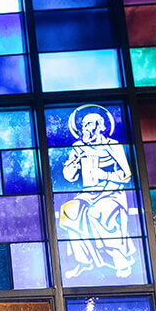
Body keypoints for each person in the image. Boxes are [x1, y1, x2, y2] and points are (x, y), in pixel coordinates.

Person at [57, 105, 137, 280]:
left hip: (111, 193)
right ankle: (84, 261)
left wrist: (106, 175)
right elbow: (69, 177)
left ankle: (120, 259)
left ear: (101, 126)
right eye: (84, 125)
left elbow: (126, 175)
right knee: (67, 211)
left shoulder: (113, 146)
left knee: (97, 213)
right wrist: (74, 165)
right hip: (89, 193)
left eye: (90, 125)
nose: (86, 129)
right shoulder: (78, 147)